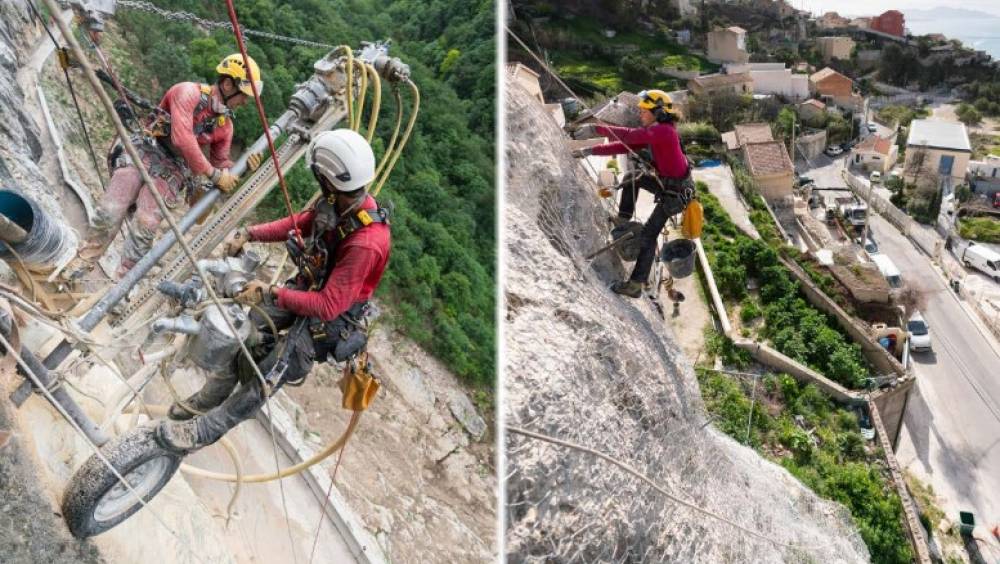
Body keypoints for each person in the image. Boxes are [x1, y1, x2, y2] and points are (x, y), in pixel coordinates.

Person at [156, 129, 391, 453]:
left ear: (329, 178)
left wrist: (272, 292)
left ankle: (205, 430)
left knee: (271, 370)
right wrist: (249, 233)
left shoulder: (366, 243)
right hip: (308, 288)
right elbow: (301, 223)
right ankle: (209, 397)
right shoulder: (340, 202)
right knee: (250, 330)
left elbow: (327, 305)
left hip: (329, 320)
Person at [77, 54, 264, 278]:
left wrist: (242, 168)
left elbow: (220, 162)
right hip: (146, 150)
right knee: (110, 211)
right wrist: (214, 175)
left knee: (145, 227)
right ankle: (80, 265)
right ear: (227, 84)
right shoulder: (188, 93)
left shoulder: (224, 126)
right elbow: (182, 138)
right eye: (243, 95)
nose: (245, 102)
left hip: (172, 169)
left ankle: (121, 286)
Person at [571, 89, 693, 298]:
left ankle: (636, 284)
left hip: (675, 194)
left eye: (644, 111)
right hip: (668, 186)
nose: (640, 115)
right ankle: (623, 219)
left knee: (648, 236)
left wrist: (596, 129)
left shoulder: (664, 131)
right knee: (631, 178)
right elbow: (624, 145)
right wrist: (590, 151)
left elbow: (628, 134)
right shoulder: (656, 132)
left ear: (659, 113)